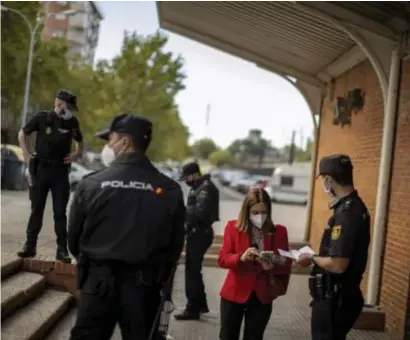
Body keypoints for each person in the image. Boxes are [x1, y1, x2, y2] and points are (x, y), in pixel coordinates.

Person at [68, 113, 185, 340]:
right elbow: (174, 247)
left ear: (125, 142)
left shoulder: (91, 184)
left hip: (98, 287)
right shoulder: (168, 190)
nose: (109, 146)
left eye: (110, 140)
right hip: (145, 290)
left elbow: (73, 240)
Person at [297, 154, 370, 340]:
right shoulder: (353, 207)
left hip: (335, 300)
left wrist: (312, 258)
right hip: (338, 297)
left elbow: (338, 264)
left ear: (329, 179)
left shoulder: (347, 213)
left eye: (323, 179)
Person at [17, 89, 84, 262]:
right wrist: (25, 152)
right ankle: (30, 245)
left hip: (60, 172)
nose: (70, 111)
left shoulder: (72, 122)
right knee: (36, 209)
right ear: (59, 104)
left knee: (59, 212)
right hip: (41, 169)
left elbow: (79, 141)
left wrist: (76, 154)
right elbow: (22, 133)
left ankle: (62, 250)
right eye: (68, 107)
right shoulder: (42, 118)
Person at [217, 188, 292, 340]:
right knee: (227, 335)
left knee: (254, 336)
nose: (260, 217)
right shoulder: (233, 227)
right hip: (235, 292)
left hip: (262, 293)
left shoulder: (279, 231)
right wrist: (241, 257)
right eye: (255, 212)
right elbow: (222, 259)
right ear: (247, 211)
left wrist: (273, 263)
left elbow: (287, 261)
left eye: (264, 212)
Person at [174, 162, 220, 320]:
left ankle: (192, 309)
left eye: (187, 177)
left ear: (194, 174)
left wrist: (182, 213)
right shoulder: (200, 186)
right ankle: (200, 305)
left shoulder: (205, 188)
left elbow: (199, 213)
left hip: (201, 233)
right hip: (198, 232)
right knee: (193, 271)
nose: (186, 180)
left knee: (191, 272)